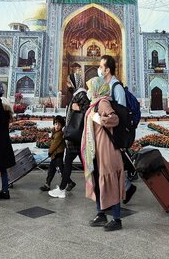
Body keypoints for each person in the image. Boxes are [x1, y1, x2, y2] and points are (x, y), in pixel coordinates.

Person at [81, 77, 125, 232]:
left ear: (97, 88)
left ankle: (117, 218)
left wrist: (98, 119)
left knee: (110, 181)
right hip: (97, 149)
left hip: (106, 149)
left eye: (91, 87)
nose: (89, 90)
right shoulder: (95, 103)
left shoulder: (103, 102)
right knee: (98, 180)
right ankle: (101, 213)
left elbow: (114, 119)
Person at [97, 55, 137, 204]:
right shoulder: (106, 86)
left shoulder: (117, 87)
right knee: (112, 164)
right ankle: (125, 188)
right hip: (109, 133)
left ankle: (124, 189)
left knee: (114, 164)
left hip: (116, 134)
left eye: (101, 67)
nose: (99, 69)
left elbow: (123, 114)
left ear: (107, 69)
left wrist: (119, 139)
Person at [48, 73, 90, 198]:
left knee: (73, 164)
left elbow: (88, 111)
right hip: (74, 136)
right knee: (71, 163)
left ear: (74, 83)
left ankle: (62, 189)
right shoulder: (77, 94)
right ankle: (63, 188)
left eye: (68, 82)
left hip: (76, 136)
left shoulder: (82, 95)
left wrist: (78, 108)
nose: (67, 85)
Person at [40, 115, 66, 192]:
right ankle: (47, 184)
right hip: (55, 155)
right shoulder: (55, 132)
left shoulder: (59, 134)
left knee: (61, 171)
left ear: (62, 126)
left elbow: (54, 144)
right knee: (51, 170)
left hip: (58, 155)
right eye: (56, 124)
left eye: (59, 125)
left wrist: (50, 152)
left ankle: (70, 182)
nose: (57, 126)